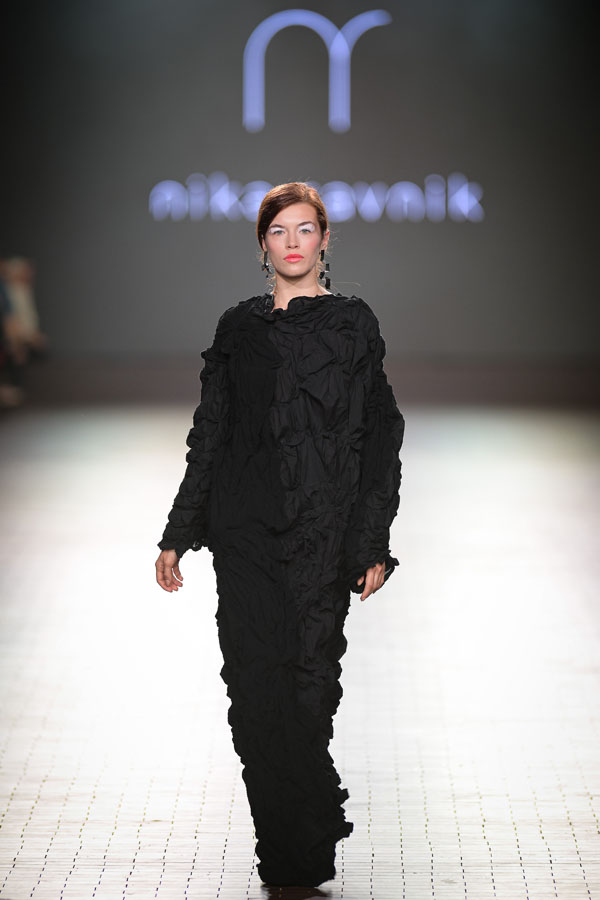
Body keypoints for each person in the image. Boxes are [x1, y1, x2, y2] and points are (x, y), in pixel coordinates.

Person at [155, 181, 405, 889]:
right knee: (254, 689)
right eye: (278, 231)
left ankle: (311, 830)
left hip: (322, 536)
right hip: (246, 538)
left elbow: (380, 436)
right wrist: (178, 531)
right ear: (262, 244)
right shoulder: (239, 328)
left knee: (308, 687)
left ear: (325, 239)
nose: (292, 243)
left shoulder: (353, 325)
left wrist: (370, 542)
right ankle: (285, 850)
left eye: (305, 229)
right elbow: (211, 432)